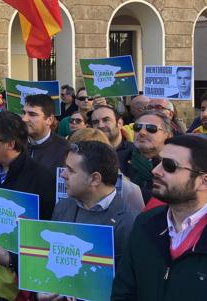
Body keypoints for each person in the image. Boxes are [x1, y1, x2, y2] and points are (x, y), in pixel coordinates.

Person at [112, 135, 207, 301]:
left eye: (169, 166)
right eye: (159, 162)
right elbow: (124, 291)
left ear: (203, 181)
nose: (155, 170)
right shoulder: (145, 222)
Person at [0, 111, 55, 299]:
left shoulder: (42, 178)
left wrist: (12, 259)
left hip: (23, 279)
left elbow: (44, 236)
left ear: (11, 143)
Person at [55, 141, 139, 265]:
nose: (63, 174)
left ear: (95, 179)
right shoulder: (63, 207)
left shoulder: (127, 222)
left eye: (71, 170)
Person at [125, 111, 173, 203]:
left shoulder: (177, 166)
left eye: (151, 128)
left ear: (167, 135)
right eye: (137, 127)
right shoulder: (118, 161)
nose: (142, 132)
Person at [22, 94, 69, 173]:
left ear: (49, 120)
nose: (24, 119)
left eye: (32, 114)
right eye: (24, 113)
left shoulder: (65, 150)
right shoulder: (13, 144)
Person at [89, 105, 135, 175]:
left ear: (119, 123)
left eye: (106, 120)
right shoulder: (87, 152)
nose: (101, 125)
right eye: (95, 122)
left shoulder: (134, 152)